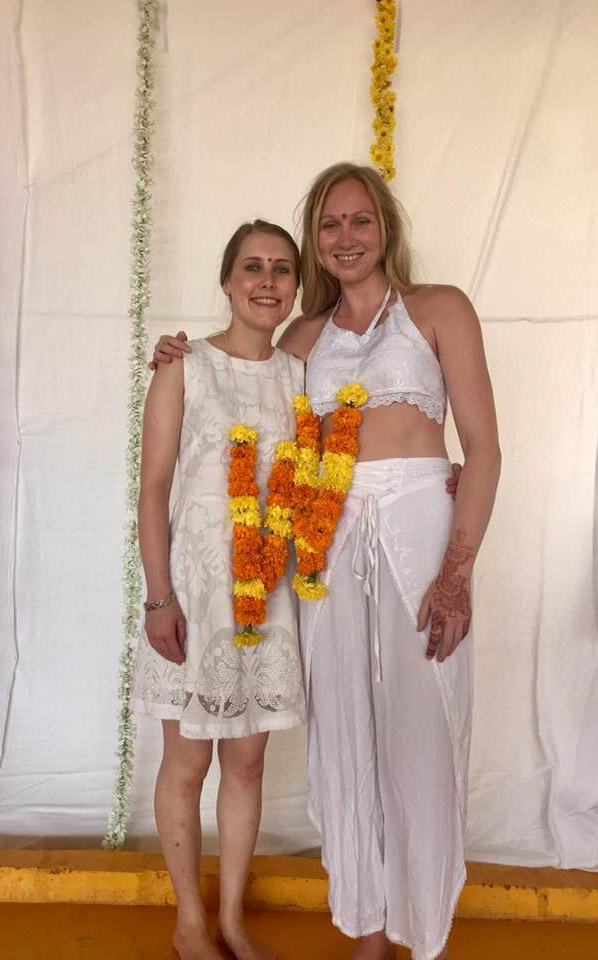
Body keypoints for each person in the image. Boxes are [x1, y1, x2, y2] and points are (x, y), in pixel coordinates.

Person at [150, 162, 500, 960]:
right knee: (345, 730)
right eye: (331, 224)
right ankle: (370, 932)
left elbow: (483, 448)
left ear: (385, 227)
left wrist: (457, 569)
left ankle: (424, 928)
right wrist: (177, 354)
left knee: (423, 727)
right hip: (328, 543)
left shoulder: (441, 309)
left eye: (360, 220)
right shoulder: (302, 341)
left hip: (420, 534)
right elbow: (241, 375)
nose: (347, 237)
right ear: (317, 240)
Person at [133, 220, 307, 960]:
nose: (267, 281)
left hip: (269, 594)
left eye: (282, 269)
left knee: (247, 762)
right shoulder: (185, 367)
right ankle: (189, 924)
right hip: (196, 594)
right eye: (252, 267)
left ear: (296, 286)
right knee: (187, 763)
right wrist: (159, 597)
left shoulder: (300, 375)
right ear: (228, 281)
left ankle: (232, 918)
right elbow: (154, 487)